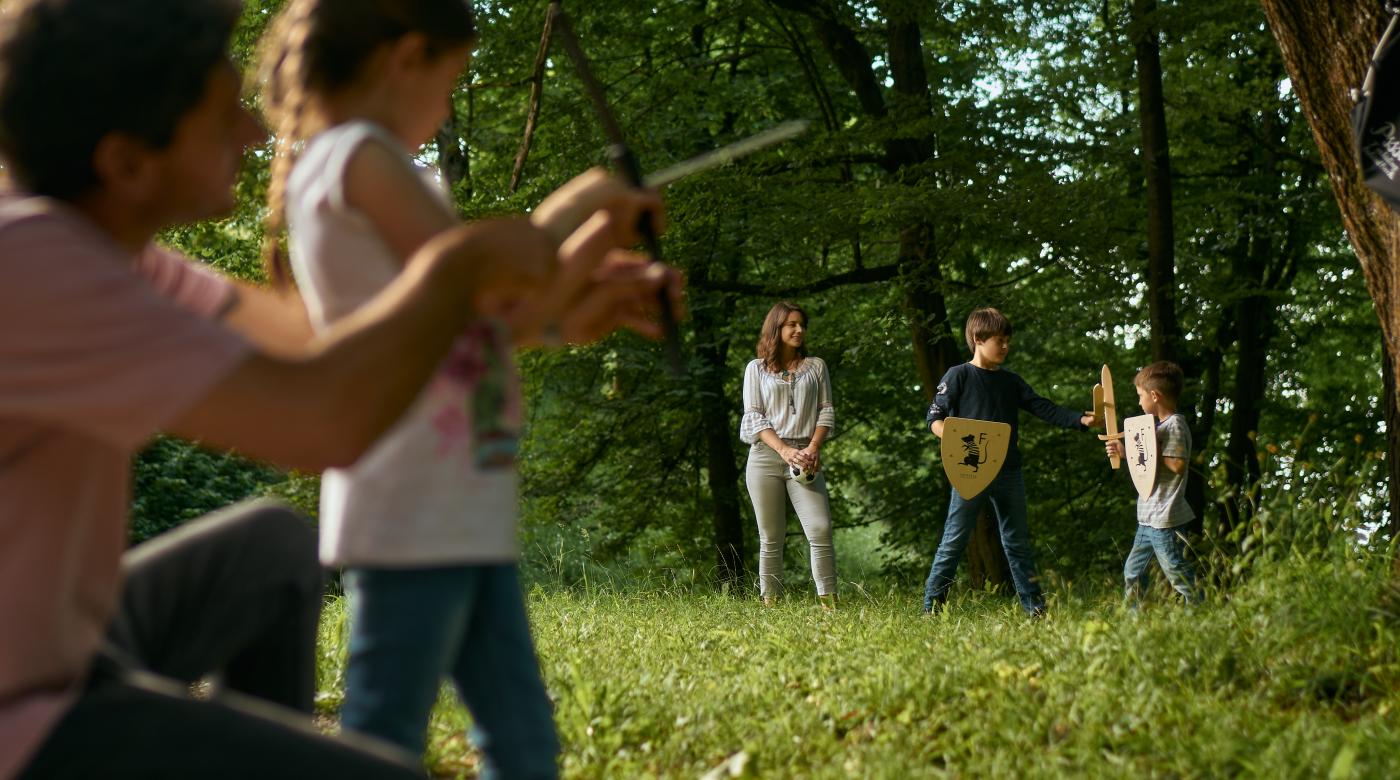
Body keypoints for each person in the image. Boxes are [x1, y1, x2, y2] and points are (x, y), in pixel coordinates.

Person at [0, 0, 677, 777]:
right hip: (22, 713)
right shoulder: (37, 268)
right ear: (125, 162)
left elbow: (337, 344)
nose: (257, 135)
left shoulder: (113, 258)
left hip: (72, 651)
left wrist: (552, 317)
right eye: (224, 118)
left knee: (271, 547)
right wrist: (466, 268)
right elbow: (326, 418)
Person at [252, 1, 678, 775]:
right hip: (406, 513)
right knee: (383, 741)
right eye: (451, 83)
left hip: (462, 510)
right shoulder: (356, 157)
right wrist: (581, 205)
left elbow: (493, 323)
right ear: (405, 59)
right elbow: (478, 278)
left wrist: (595, 267)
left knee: (521, 743)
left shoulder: (372, 164)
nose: (449, 105)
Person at [922, 307, 1097, 617]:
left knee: (1017, 542)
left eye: (1007, 340)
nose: (1005, 346)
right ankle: (931, 609)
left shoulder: (1011, 382)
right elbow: (935, 418)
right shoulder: (958, 375)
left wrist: (1080, 419)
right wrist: (954, 435)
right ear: (978, 338)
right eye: (999, 340)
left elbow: (1042, 406)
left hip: (1009, 470)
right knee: (954, 540)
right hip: (970, 469)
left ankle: (1036, 610)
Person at [739, 301, 838, 608]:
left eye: (802, 325)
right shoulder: (755, 369)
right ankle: (771, 605)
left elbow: (826, 410)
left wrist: (812, 448)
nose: (799, 330)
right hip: (766, 456)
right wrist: (784, 450)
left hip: (805, 458)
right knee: (771, 536)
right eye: (791, 324)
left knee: (819, 528)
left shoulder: (816, 366)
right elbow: (753, 416)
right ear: (776, 328)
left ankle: (829, 605)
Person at [1105, 361, 1200, 605]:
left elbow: (1178, 466)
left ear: (1155, 395)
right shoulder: (1157, 427)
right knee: (1133, 573)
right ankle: (1134, 622)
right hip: (1147, 518)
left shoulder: (1175, 425)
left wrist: (1151, 449)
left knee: (1178, 574)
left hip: (1166, 518)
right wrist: (1127, 453)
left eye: (1140, 396)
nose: (1139, 402)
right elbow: (1146, 466)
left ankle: (1201, 611)